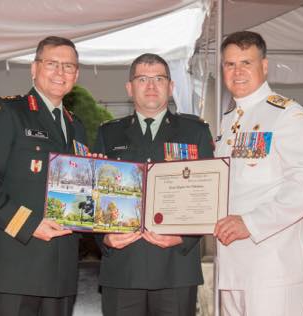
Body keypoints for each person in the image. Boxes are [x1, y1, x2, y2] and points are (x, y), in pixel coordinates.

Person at [0, 36, 87, 316]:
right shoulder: (8, 112)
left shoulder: (76, 126)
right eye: (52, 63)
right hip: (15, 265)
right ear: (34, 68)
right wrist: (29, 224)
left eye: (68, 66)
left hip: (61, 269)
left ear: (76, 75)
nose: (60, 72)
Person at [214, 31, 303, 315]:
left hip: (274, 267)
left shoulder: (287, 114)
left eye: (246, 63)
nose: (237, 72)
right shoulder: (227, 122)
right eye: (229, 64)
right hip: (232, 267)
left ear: (264, 66)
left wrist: (250, 223)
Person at [93, 53, 214, 316]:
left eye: (159, 79)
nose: (151, 86)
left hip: (175, 268)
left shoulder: (196, 132)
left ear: (171, 87)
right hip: (123, 267)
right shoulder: (108, 133)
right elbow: (94, 194)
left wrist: (183, 237)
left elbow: (207, 196)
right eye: (143, 79)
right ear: (129, 88)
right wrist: (105, 239)